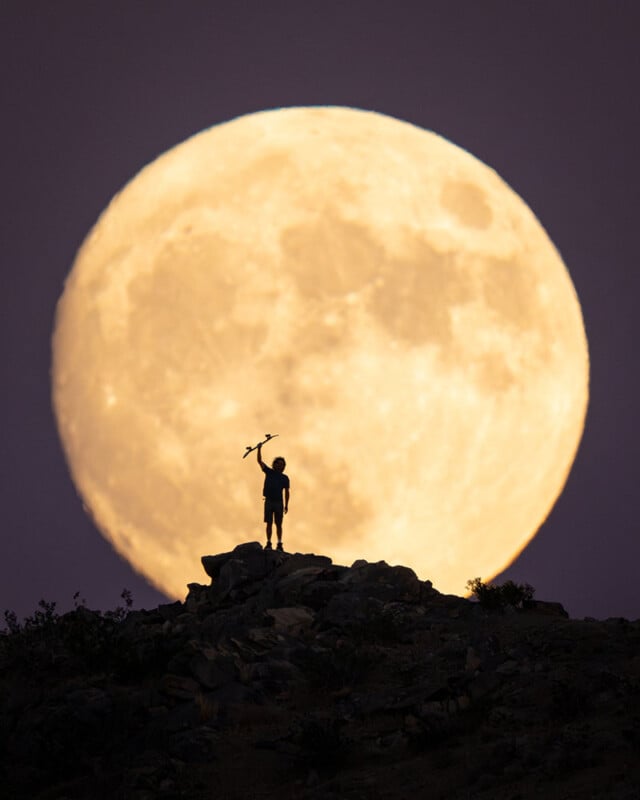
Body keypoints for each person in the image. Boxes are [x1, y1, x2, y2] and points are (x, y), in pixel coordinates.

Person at [257, 443, 290, 551]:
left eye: (283, 465)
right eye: (279, 464)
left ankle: (279, 543)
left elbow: (286, 492)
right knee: (269, 523)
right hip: (269, 501)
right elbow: (259, 461)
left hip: (278, 502)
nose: (281, 466)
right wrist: (259, 449)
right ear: (275, 464)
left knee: (279, 524)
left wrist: (286, 505)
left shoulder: (285, 478)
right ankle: (269, 543)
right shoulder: (269, 472)